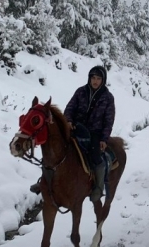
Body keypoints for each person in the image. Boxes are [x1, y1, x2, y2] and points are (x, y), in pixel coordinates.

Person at [30, 65, 115, 202]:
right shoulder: (80, 92)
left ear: (103, 80)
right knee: (56, 150)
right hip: (76, 128)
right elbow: (70, 108)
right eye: (93, 78)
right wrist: (68, 121)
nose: (95, 81)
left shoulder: (108, 98)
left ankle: (98, 187)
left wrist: (104, 139)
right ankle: (44, 181)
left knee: (95, 156)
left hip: (94, 132)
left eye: (98, 78)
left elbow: (108, 120)